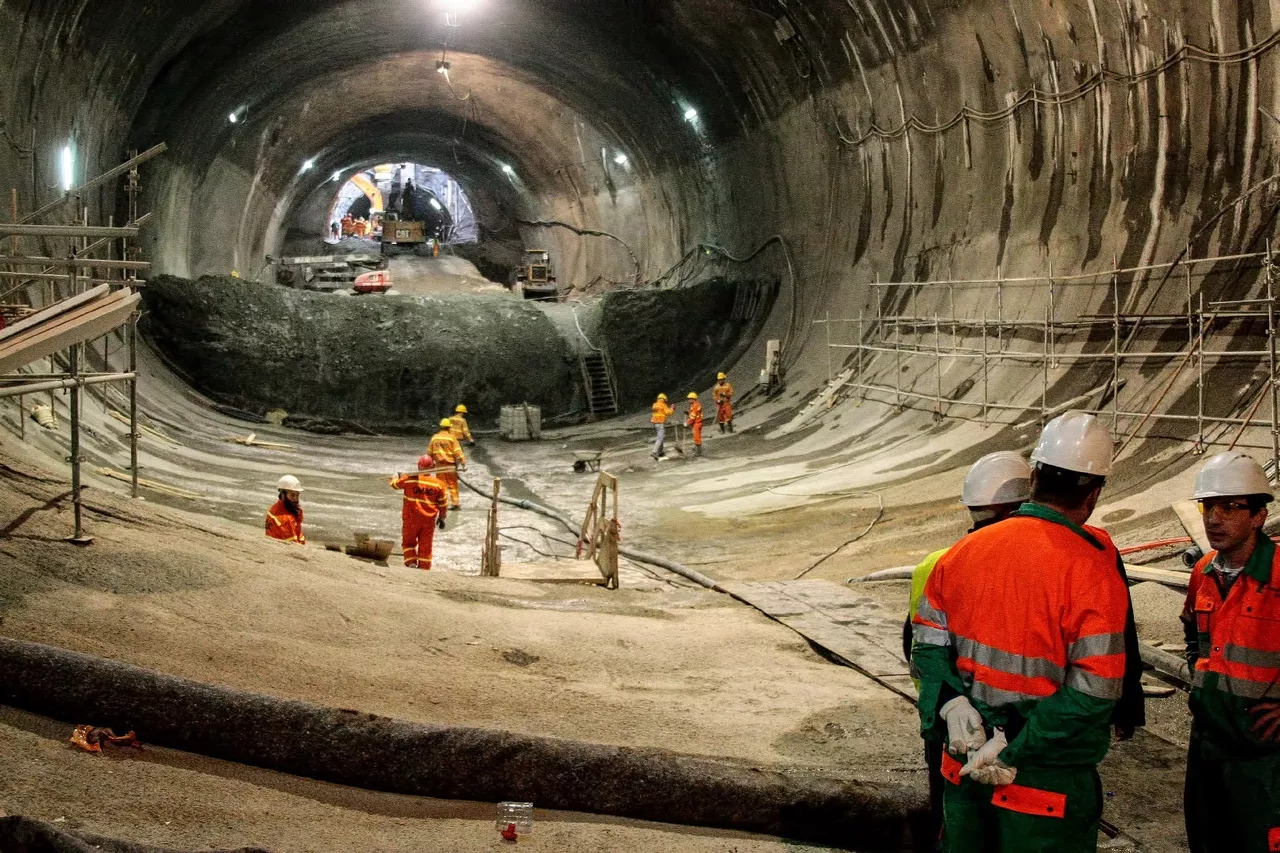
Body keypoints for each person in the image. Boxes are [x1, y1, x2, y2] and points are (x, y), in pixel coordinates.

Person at [911, 411, 1139, 853]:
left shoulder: (962, 554)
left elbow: (927, 642)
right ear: (1092, 495)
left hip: (964, 769)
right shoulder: (1093, 569)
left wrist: (949, 702)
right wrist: (1014, 746)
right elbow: (1096, 691)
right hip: (1042, 785)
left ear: (1033, 476)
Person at [902, 451, 1033, 847]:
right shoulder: (1032, 567)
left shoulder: (936, 563)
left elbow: (916, 649)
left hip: (950, 724)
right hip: (1010, 730)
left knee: (952, 819)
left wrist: (946, 707)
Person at [1180, 452, 1280, 853]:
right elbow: (1193, 635)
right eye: (1207, 506)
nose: (1213, 519)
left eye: (1230, 507)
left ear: (1258, 516)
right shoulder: (1203, 571)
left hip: (1265, 756)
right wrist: (1201, 684)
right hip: (1207, 742)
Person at [390, 454, 449, 569]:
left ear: (418, 466)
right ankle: (424, 568)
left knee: (408, 543)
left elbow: (395, 485)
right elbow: (443, 503)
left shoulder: (409, 479)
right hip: (428, 520)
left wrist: (394, 476)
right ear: (433, 467)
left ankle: (411, 563)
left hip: (411, 517)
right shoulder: (439, 484)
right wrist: (442, 517)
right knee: (426, 546)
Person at [429, 418, 466, 509]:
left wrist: (430, 463)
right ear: (449, 428)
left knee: (441, 484)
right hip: (450, 466)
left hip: (439, 466)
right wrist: (463, 463)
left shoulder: (435, 438)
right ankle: (455, 503)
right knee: (452, 484)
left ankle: (442, 502)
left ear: (440, 427)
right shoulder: (452, 438)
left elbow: (430, 452)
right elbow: (458, 451)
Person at [265, 474, 305, 544]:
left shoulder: (275, 508)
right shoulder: (286, 519)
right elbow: (293, 544)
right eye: (292, 495)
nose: (295, 499)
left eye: (297, 495)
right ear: (283, 495)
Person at [650, 393, 674, 460]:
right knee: (660, 438)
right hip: (660, 423)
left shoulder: (655, 405)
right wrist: (672, 408)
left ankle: (660, 452)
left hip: (655, 423)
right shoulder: (663, 405)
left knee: (661, 437)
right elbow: (668, 413)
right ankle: (654, 452)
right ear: (663, 399)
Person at [685, 392, 704, 458]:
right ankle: (697, 449)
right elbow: (693, 413)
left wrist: (686, 423)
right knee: (697, 436)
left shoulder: (695, 405)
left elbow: (692, 417)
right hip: (697, 422)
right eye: (689, 399)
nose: (689, 400)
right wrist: (688, 413)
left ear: (694, 399)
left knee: (696, 437)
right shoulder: (695, 405)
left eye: (690, 399)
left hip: (697, 423)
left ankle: (698, 452)